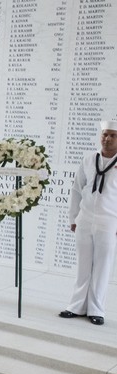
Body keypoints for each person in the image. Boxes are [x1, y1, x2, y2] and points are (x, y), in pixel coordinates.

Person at [59, 120, 117, 326]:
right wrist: (73, 217)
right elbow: (76, 189)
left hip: (109, 221)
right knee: (83, 264)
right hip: (86, 218)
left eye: (112, 135)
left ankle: (96, 309)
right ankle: (75, 306)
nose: (107, 139)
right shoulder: (88, 159)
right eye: (104, 134)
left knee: (102, 265)